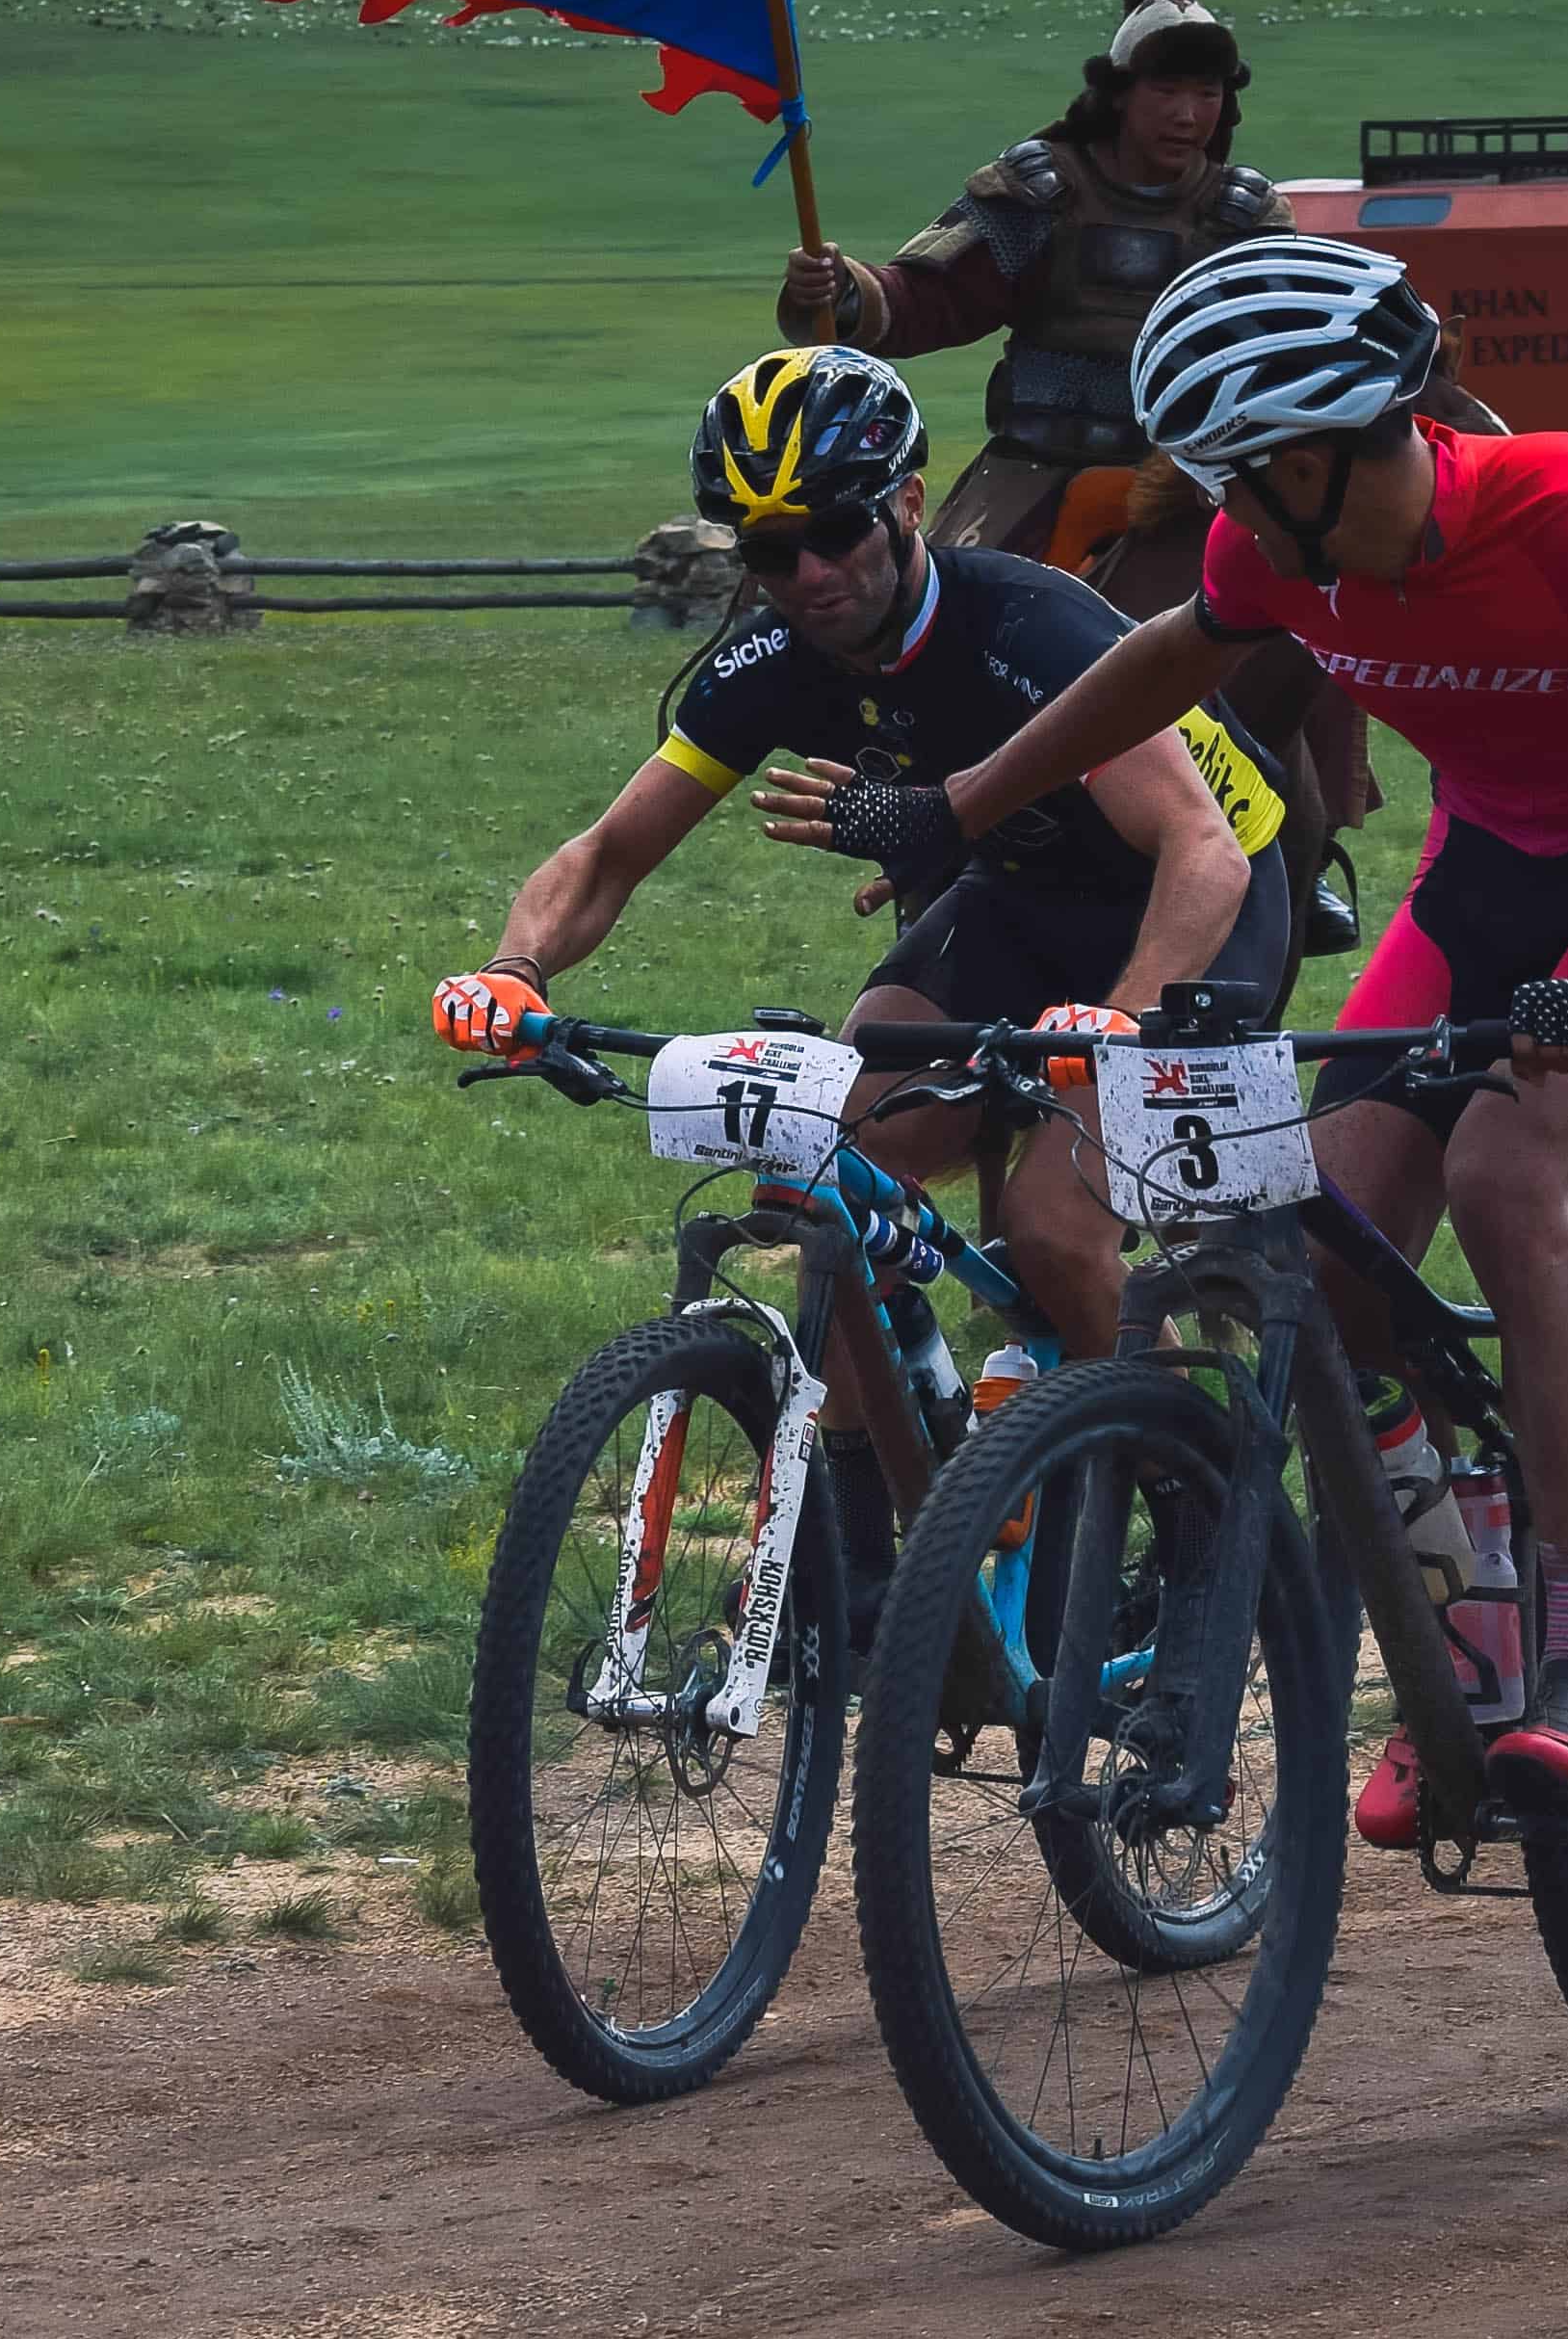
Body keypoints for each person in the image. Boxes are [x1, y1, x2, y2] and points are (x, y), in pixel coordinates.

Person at [775, 241, 1568, 1823]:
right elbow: (1153, 669)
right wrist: (958, 805)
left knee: (1506, 1177)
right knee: (1318, 1258)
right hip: (1482, 887)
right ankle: (1464, 1620)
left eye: (1247, 482)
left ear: (1339, 444)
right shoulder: (1285, 554)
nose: (1230, 522)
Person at [430, 345, 1288, 1521]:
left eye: (837, 532)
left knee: (1050, 1221)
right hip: (1024, 894)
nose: (811, 573)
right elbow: (609, 852)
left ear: (911, 505)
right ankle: (871, 1535)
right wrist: (512, 969)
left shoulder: (1027, 626)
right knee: (836, 1167)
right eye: (771, 551)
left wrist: (1124, 1017)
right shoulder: (776, 657)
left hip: (1190, 905)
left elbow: (1204, 850)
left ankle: (1192, 1508)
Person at [774, 0, 1379, 918]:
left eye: (1209, 94)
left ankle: (1299, 850)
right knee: (934, 609)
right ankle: (916, 801)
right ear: (1120, 92)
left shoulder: (1247, 215)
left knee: (1311, 606)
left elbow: (1294, 345)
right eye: (1166, 92)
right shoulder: (1038, 192)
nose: (1190, 115)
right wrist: (844, 292)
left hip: (1197, 474)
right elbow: (928, 299)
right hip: (1042, 469)